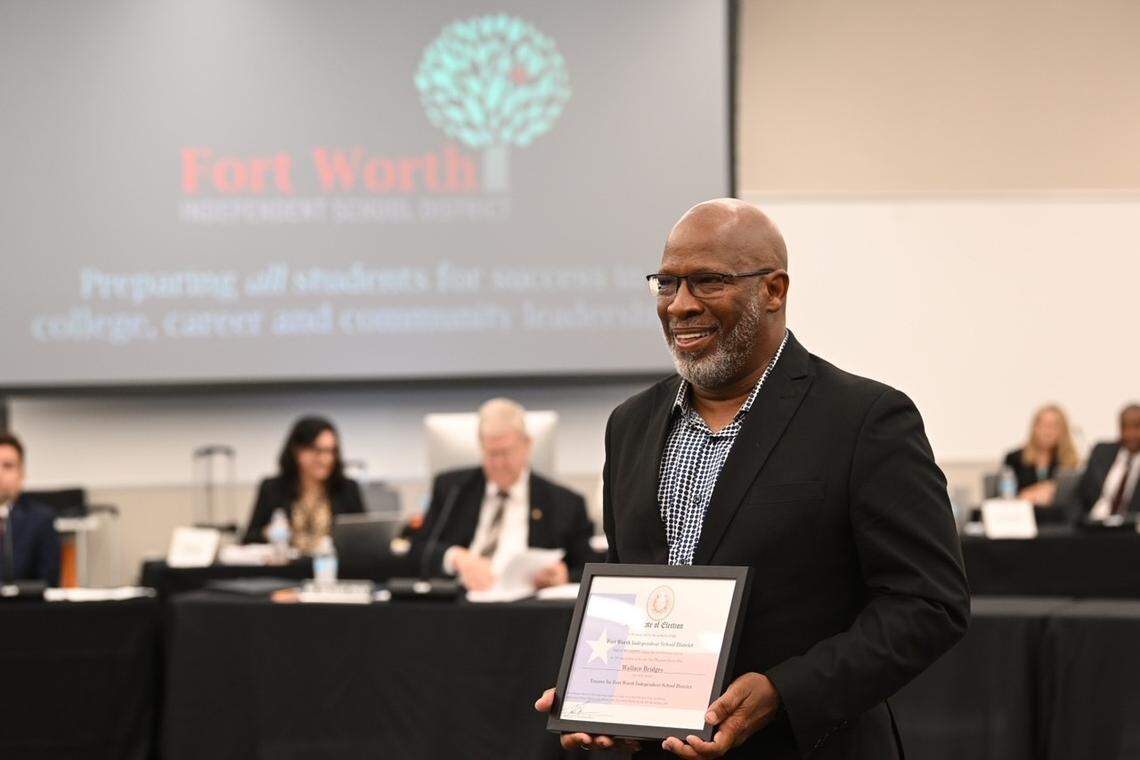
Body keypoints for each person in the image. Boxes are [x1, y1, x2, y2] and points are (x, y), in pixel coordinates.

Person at [536, 199, 969, 759]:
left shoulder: (865, 419)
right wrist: (599, 694)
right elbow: (630, 590)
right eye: (667, 284)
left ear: (774, 290)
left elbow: (928, 604)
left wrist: (783, 692)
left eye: (707, 281)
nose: (680, 305)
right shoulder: (630, 424)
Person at [411, 398, 594, 591]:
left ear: (527, 445)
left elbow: (589, 568)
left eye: (506, 453)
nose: (498, 464)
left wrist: (564, 576)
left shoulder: (565, 503)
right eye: (491, 454)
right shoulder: (453, 490)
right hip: (462, 600)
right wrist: (455, 557)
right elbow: (418, 551)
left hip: (529, 603)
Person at [242, 416, 364, 551]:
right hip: (287, 563)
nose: (326, 459)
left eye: (331, 451)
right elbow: (248, 538)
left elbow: (364, 536)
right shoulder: (272, 488)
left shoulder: (347, 488)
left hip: (333, 563)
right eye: (318, 451)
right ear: (297, 451)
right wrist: (268, 533)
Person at [0, 433, 61, 585]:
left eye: (7, 466)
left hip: (23, 600)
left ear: (21, 474)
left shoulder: (41, 520)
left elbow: (49, 583)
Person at [1001, 404, 1079, 505]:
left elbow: (1074, 498)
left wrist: (1051, 489)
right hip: (1023, 511)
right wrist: (1030, 494)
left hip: (1056, 513)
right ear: (1035, 427)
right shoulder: (1014, 459)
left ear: (1063, 431)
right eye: (1043, 425)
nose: (1048, 431)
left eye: (1054, 426)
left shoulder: (1069, 461)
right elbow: (1004, 496)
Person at [1073, 403, 1140, 520]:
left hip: (1129, 527)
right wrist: (1076, 521)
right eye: (1124, 427)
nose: (1130, 434)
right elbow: (1079, 495)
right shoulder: (1101, 452)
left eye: (1136, 427)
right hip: (1093, 524)